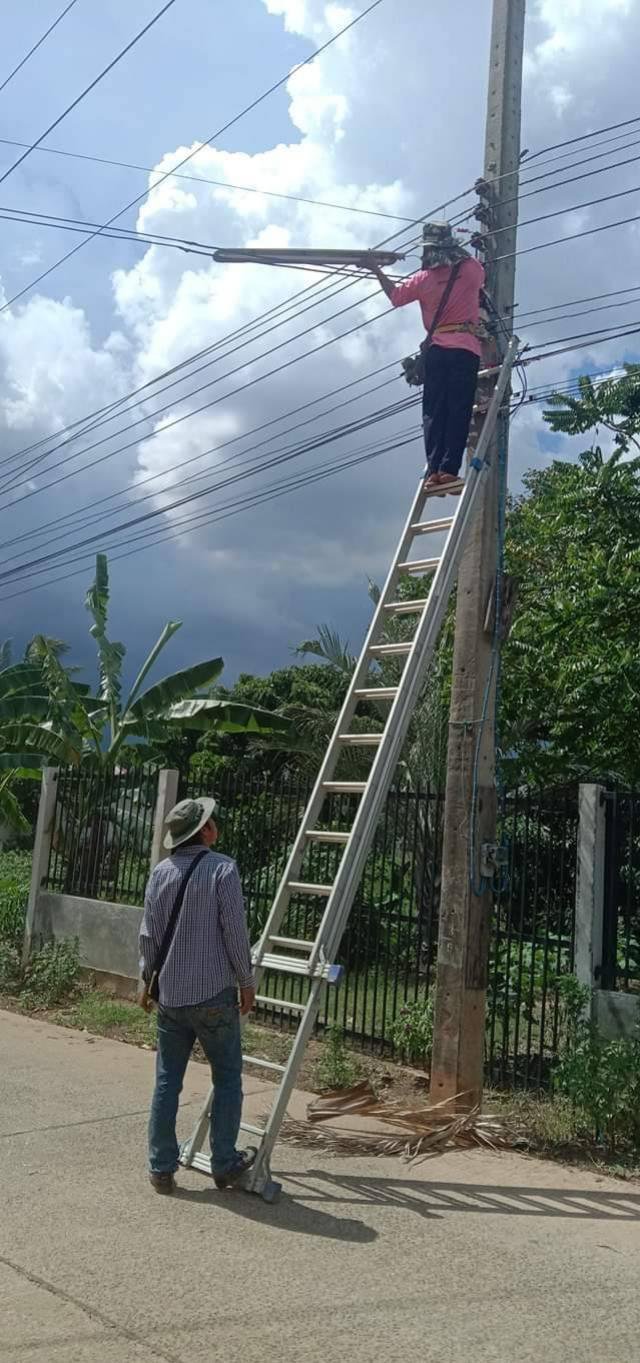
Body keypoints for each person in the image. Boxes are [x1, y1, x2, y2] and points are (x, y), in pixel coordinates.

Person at [139, 795, 256, 1195]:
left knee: (167, 1081)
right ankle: (224, 1163)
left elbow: (149, 934)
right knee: (226, 1078)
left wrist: (147, 982)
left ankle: (160, 1168)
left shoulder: (161, 873)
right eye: (212, 821)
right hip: (213, 996)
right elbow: (234, 932)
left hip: (170, 996)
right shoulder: (222, 869)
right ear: (205, 830)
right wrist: (246, 980)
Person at [368, 222, 485, 491]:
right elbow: (480, 280)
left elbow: (396, 296)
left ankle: (433, 470)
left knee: (434, 411)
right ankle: (448, 470)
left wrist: (376, 269)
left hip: (436, 351)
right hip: (464, 347)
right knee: (458, 408)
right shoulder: (470, 269)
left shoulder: (423, 279)